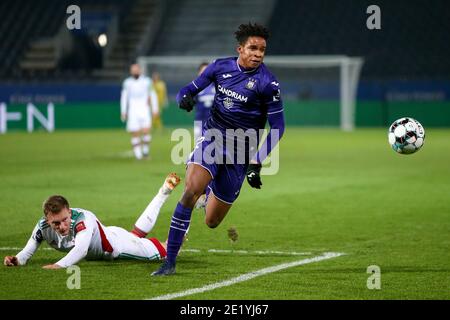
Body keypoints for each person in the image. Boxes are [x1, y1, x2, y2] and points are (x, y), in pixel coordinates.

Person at [152, 23, 285, 276]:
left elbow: (278, 126)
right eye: (253, 48)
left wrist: (256, 163)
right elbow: (187, 90)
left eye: (262, 50)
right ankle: (169, 262)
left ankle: (210, 187)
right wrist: (184, 98)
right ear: (240, 48)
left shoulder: (268, 83)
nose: (258, 54)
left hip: (242, 152)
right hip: (213, 139)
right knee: (190, 190)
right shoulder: (219, 67)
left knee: (212, 221)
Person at [3, 173, 181, 269]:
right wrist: (17, 259)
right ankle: (164, 192)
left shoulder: (83, 220)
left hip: (116, 247)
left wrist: (58, 265)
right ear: (47, 221)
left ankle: (184, 218)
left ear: (70, 212)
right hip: (109, 233)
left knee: (167, 251)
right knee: (135, 235)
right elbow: (27, 252)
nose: (62, 226)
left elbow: (81, 250)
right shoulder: (42, 228)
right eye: (56, 223)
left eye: (65, 220)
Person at [121, 64, 159, 160]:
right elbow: (124, 97)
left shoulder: (147, 81)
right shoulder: (127, 83)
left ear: (140, 70)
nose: (135, 71)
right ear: (131, 71)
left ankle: (145, 152)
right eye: (133, 70)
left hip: (144, 110)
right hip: (133, 111)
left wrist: (155, 109)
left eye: (136, 70)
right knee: (135, 133)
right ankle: (138, 155)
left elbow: (152, 95)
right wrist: (123, 111)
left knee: (146, 131)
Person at [194, 62, 216, 142]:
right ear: (199, 73)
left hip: (214, 123)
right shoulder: (195, 87)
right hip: (199, 121)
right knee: (199, 146)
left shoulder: (218, 86)